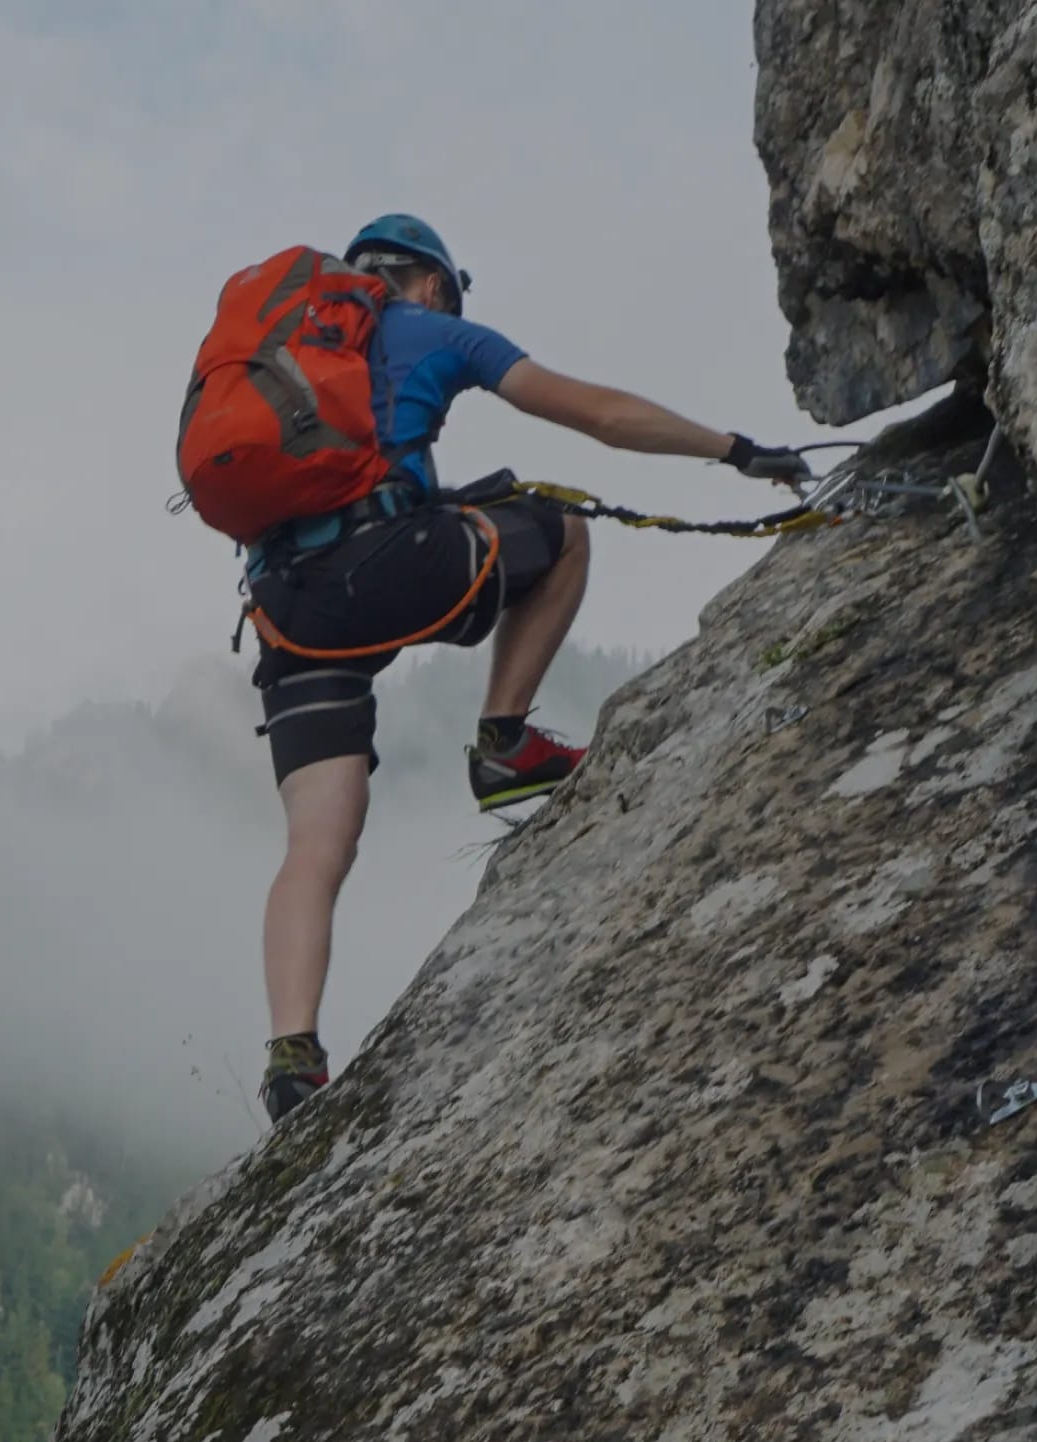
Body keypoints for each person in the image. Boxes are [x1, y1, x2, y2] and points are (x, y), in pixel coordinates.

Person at [251, 214, 812, 1123]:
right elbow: (598, 414)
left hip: (285, 609)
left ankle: (290, 1057)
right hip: (385, 569)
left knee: (316, 842)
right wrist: (735, 450)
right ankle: (503, 741)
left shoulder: (293, 355)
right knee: (562, 530)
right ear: (433, 282)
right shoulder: (433, 329)